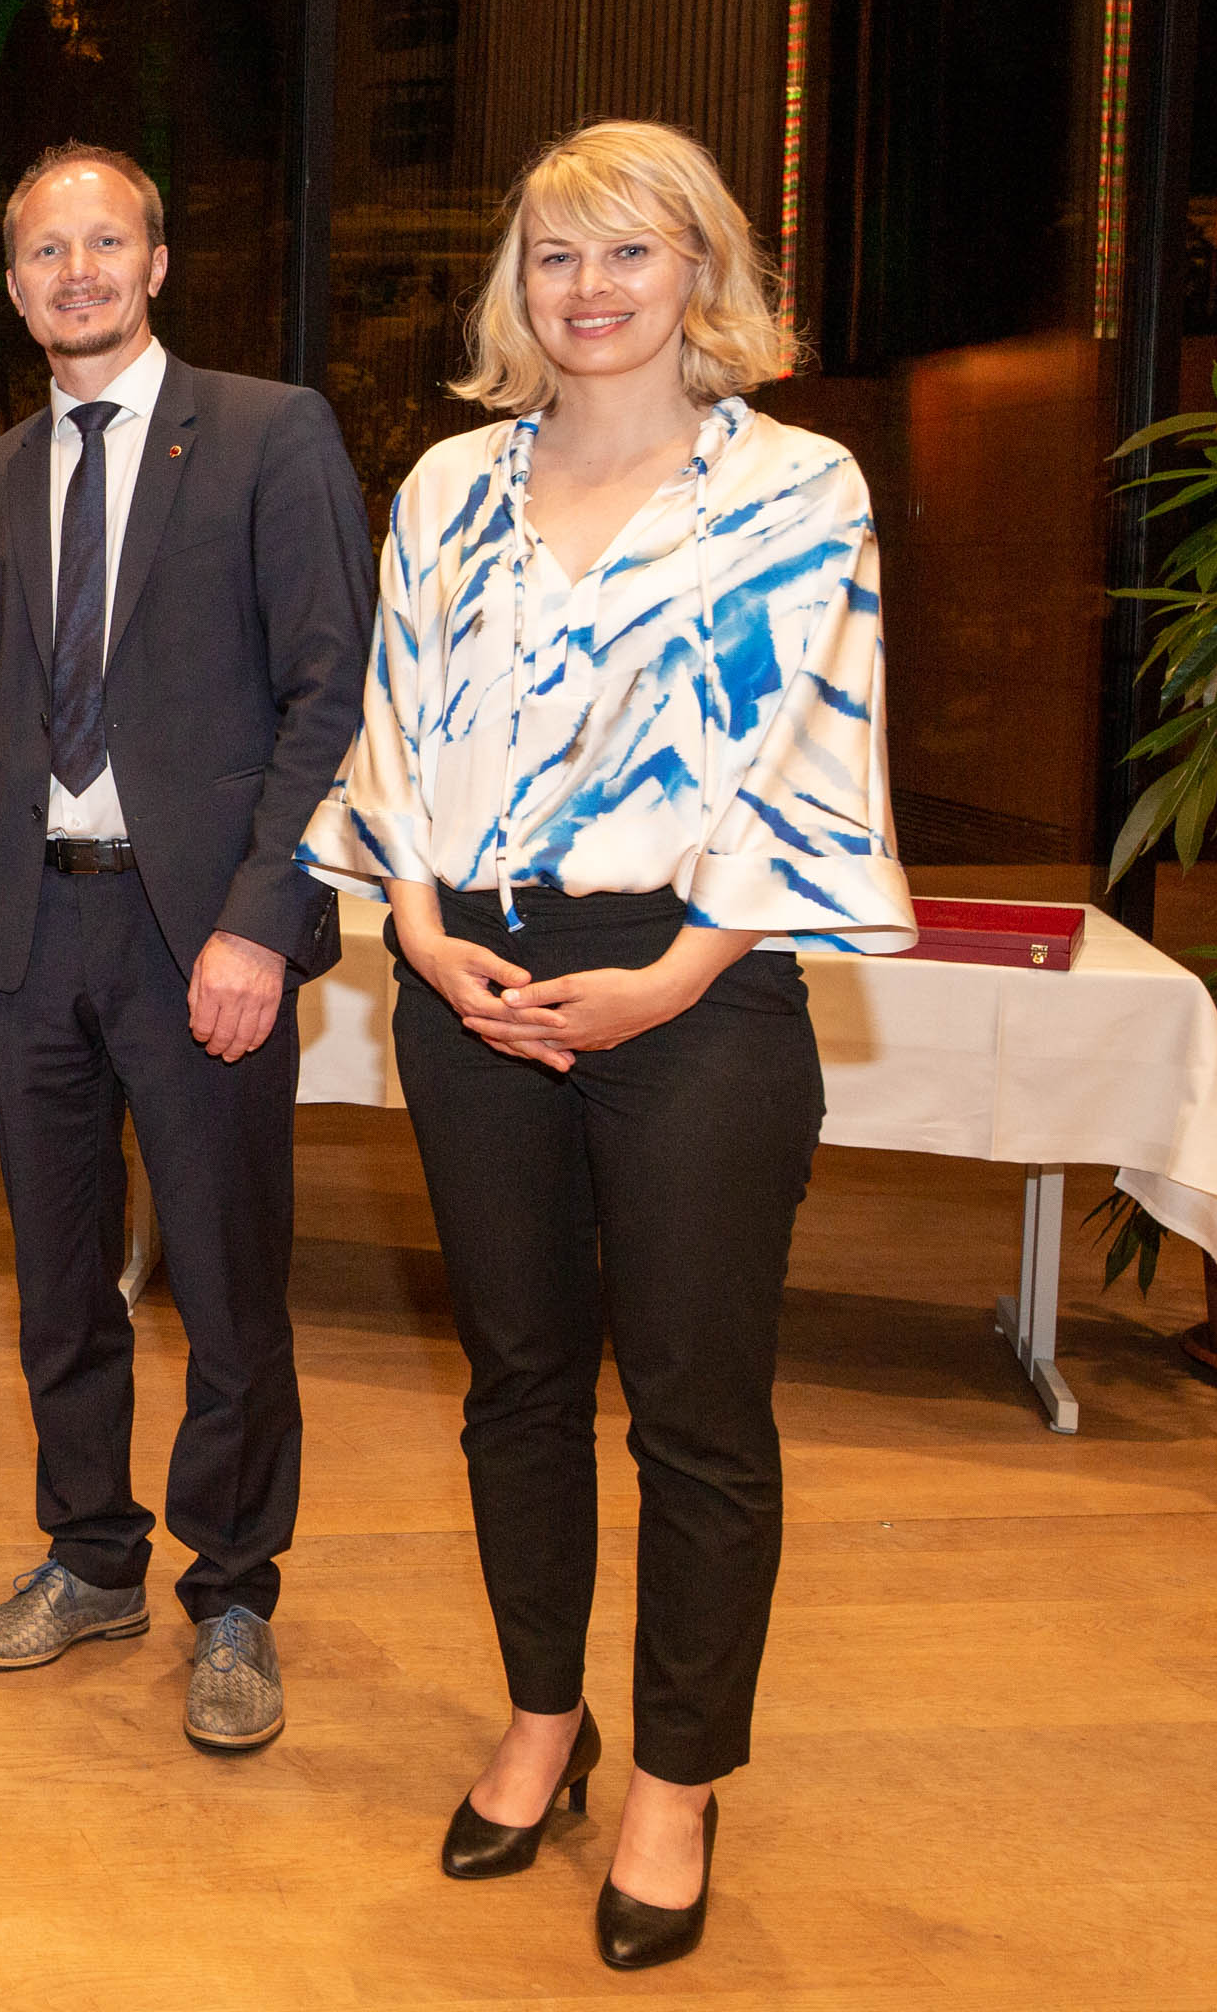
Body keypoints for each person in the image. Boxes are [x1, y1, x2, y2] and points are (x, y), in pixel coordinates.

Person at [298, 120, 908, 1971]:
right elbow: (393, 736)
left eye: (632, 254)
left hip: (697, 985)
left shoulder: (799, 488)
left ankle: (677, 1777)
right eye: (558, 256)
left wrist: (673, 973)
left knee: (702, 1413)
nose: (592, 290)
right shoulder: (444, 488)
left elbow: (810, 755)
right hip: (465, 982)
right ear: (521, 288)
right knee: (518, 1380)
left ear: (703, 277)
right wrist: (412, 932)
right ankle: (545, 1714)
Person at [0, 145, 371, 1748]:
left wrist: (260, 921)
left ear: (157, 262)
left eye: (107, 242)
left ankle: (233, 1589)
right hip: (31, 930)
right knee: (57, 1282)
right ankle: (90, 1552)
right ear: (15, 280)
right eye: (45, 249)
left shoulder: (268, 432)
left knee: (230, 1288)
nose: (77, 271)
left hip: (202, 937)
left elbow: (332, 697)